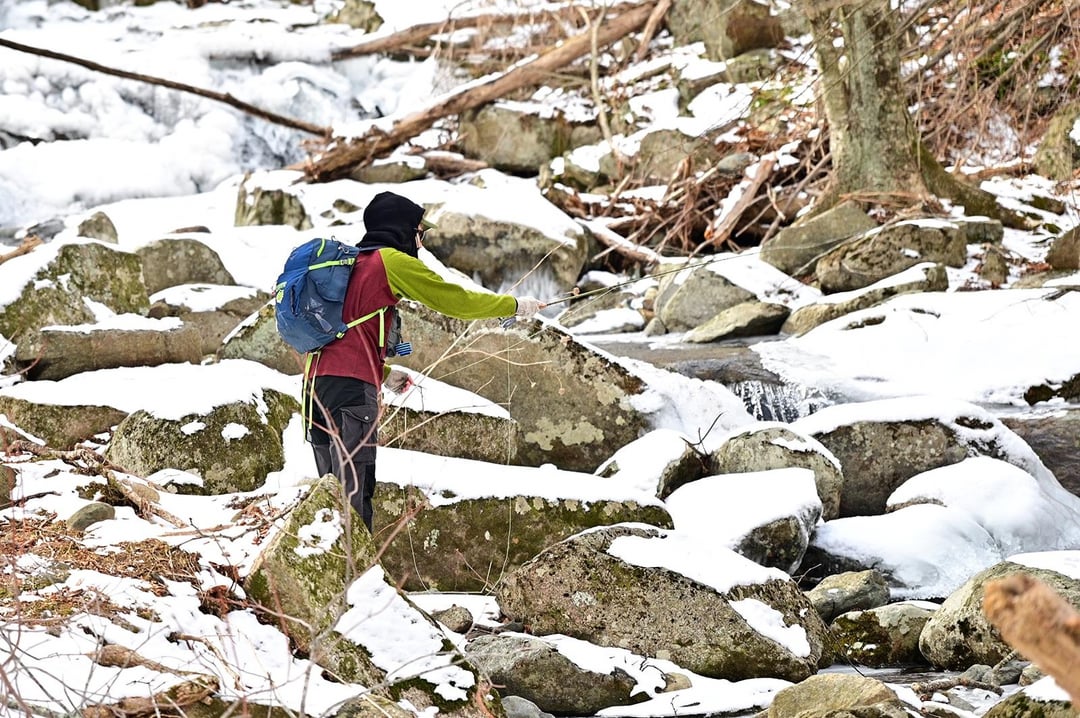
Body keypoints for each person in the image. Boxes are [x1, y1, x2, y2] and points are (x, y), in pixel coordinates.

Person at [306, 190, 543, 532]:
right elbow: (454, 300)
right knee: (354, 500)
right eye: (420, 233)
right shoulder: (391, 262)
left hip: (315, 388)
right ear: (402, 228)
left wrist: (384, 373)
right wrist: (513, 306)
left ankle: (327, 564)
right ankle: (355, 566)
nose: (420, 242)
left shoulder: (350, 264)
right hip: (352, 393)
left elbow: (344, 334)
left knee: (330, 502)